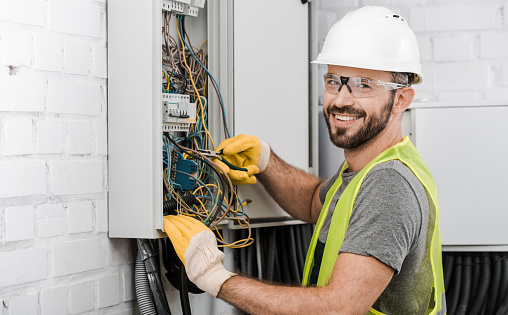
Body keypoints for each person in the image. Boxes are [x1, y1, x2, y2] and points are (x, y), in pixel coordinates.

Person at [163, 6, 446, 315]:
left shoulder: (389, 184)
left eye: (363, 84)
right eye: (334, 81)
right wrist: (266, 160)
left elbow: (338, 309)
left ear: (401, 100)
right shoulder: (365, 171)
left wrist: (215, 278)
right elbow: (314, 202)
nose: (340, 99)